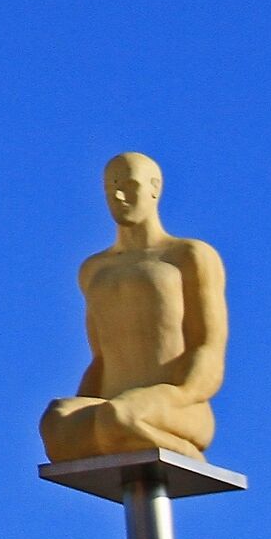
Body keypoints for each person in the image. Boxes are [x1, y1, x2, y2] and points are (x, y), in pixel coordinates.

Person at [40, 152, 227, 461]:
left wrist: (182, 394)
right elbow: (100, 357)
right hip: (112, 406)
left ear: (155, 188)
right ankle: (119, 433)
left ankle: (183, 451)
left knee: (121, 418)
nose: (118, 195)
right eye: (110, 187)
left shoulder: (189, 255)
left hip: (178, 406)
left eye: (129, 185)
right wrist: (79, 414)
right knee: (55, 424)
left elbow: (208, 347)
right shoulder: (94, 269)